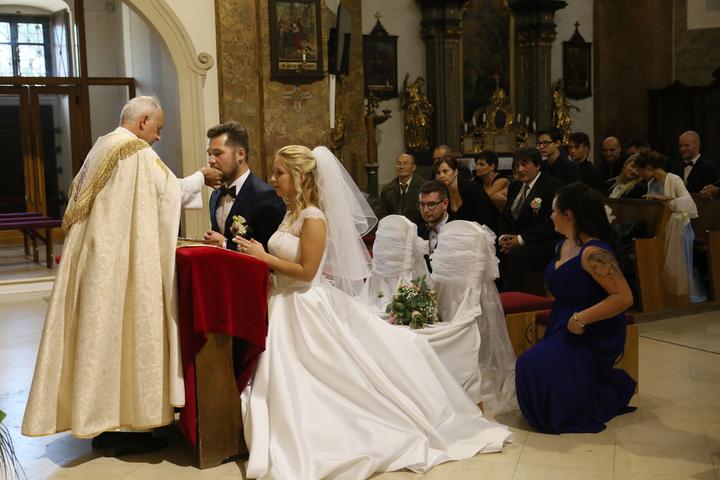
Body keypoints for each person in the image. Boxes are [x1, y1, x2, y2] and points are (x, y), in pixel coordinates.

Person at [236, 145, 511, 479]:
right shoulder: (291, 212)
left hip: (304, 304)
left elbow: (307, 272)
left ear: (301, 176)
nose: (273, 178)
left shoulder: (313, 218)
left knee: (321, 376)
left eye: (279, 172)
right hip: (283, 302)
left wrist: (263, 256)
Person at [22, 96, 222, 455]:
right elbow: (167, 193)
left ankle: (100, 422)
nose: (158, 136)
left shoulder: (102, 147)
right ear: (143, 121)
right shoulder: (134, 152)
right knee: (127, 336)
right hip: (120, 268)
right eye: (158, 128)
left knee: (100, 340)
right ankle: (128, 426)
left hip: (97, 264)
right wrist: (200, 177)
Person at [515, 182, 637, 434]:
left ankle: (596, 395)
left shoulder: (593, 252)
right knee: (531, 364)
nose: (551, 216)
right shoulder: (563, 245)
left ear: (568, 214)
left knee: (532, 365)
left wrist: (581, 319)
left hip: (593, 329)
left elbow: (624, 297)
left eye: (553, 211)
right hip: (563, 321)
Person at [636, 150, 707, 303]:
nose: (639, 174)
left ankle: (679, 296)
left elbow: (688, 202)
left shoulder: (674, 179)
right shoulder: (650, 183)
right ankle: (664, 295)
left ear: (648, 167)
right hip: (660, 227)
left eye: (641, 171)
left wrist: (664, 198)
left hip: (678, 227)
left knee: (676, 266)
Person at [202, 121, 286, 250]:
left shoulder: (266, 197)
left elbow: (271, 252)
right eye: (209, 154)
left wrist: (224, 244)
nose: (211, 161)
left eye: (218, 153)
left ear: (240, 154)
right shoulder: (215, 195)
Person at [498, 147, 563, 294]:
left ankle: (512, 301)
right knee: (490, 249)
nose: (520, 169)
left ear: (537, 165)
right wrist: (503, 237)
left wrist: (520, 239)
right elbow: (504, 217)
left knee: (516, 255)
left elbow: (551, 223)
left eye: (525, 164)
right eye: (516, 165)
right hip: (514, 240)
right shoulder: (515, 186)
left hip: (541, 242)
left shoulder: (552, 185)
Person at [436, 155, 498, 233]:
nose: (441, 176)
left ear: (455, 172)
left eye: (445, 171)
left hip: (483, 232)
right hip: (458, 234)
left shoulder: (472, 188)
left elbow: (487, 218)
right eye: (439, 173)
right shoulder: (443, 192)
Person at [379, 152, 424, 226]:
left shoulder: (423, 188)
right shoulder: (387, 190)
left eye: (405, 163)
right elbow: (383, 215)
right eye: (399, 164)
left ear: (413, 167)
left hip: (418, 229)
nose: (401, 166)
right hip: (394, 229)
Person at [417, 179, 451, 271]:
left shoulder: (458, 232)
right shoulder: (417, 232)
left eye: (431, 204)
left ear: (445, 204)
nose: (425, 210)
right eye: (422, 204)